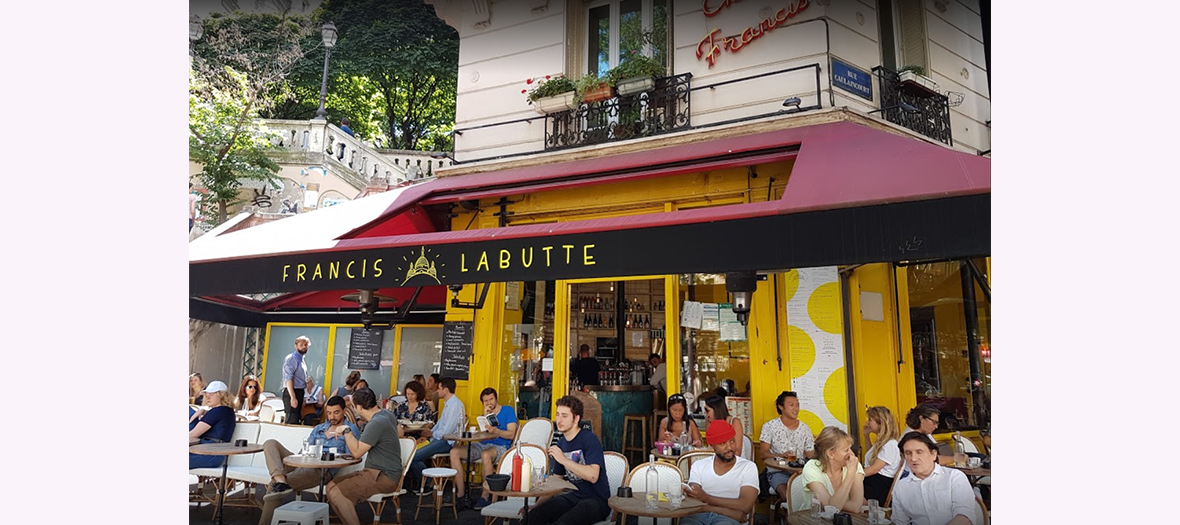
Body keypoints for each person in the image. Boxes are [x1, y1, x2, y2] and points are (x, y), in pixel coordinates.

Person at [259, 396, 360, 525]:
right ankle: (280, 479)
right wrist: (299, 459)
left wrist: (329, 454)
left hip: (320, 470)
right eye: (329, 413)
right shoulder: (319, 428)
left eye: (336, 412)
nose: (332, 417)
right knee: (270, 443)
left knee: (273, 486)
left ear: (344, 410)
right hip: (303, 462)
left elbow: (350, 456)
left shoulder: (350, 429)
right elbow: (305, 450)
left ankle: (266, 516)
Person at [525, 395, 611, 525]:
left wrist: (564, 460)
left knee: (564, 523)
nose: (559, 420)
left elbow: (593, 476)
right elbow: (557, 480)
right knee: (532, 517)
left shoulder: (589, 439)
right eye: (558, 415)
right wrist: (536, 506)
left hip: (596, 501)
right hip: (574, 496)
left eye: (564, 416)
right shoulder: (562, 443)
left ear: (576, 418)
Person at [324, 388, 405, 525]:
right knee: (330, 486)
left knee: (337, 493)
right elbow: (400, 433)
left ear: (359, 407)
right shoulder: (387, 414)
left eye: (354, 407)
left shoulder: (375, 423)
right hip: (380, 472)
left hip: (384, 476)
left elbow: (356, 453)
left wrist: (346, 430)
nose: (354, 409)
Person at [681, 420, 760, 525]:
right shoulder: (699, 466)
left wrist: (706, 500)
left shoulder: (748, 467)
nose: (729, 447)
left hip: (727, 520)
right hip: (698, 516)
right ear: (712, 445)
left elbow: (745, 505)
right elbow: (694, 499)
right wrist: (732, 512)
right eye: (722, 443)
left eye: (732, 441)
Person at [889, 432, 979, 525]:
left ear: (933, 454)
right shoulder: (901, 487)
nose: (913, 458)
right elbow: (899, 521)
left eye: (919, 452)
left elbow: (964, 517)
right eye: (908, 453)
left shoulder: (954, 477)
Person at [455, 387, 519, 509]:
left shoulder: (507, 410)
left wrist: (497, 431)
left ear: (496, 399)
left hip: (501, 446)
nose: (489, 403)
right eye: (486, 401)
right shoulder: (484, 416)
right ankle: (461, 495)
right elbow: (481, 439)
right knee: (455, 452)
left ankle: (485, 496)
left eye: (491, 399)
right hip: (483, 445)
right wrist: (485, 419)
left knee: (485, 454)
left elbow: (511, 434)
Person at [407, 376, 465, 492]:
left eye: (439, 389)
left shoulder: (455, 405)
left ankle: (428, 482)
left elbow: (446, 432)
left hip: (446, 442)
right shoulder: (448, 403)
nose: (437, 391)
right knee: (410, 452)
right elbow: (439, 424)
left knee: (412, 457)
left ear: (446, 390)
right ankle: (426, 482)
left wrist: (431, 434)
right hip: (438, 438)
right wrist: (430, 433)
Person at [759, 391, 815, 503]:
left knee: (813, 498)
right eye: (791, 405)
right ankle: (788, 519)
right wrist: (780, 455)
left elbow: (810, 455)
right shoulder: (770, 427)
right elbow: (763, 454)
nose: (796, 408)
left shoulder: (805, 429)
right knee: (789, 497)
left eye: (797, 405)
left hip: (800, 472)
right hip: (778, 471)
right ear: (781, 407)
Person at [796, 426, 865, 513]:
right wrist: (850, 474)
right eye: (846, 450)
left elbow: (856, 507)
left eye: (850, 448)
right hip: (814, 520)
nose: (851, 454)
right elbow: (831, 509)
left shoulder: (854, 465)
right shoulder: (812, 467)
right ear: (830, 453)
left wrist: (831, 502)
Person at [189, 381, 237, 468]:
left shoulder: (218, 411)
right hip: (212, 454)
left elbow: (193, 434)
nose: (207, 397)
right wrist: (203, 410)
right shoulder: (226, 410)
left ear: (221, 395)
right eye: (206, 394)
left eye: (211, 394)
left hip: (209, 454)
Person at [861, 406, 903, 503]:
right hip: (874, 482)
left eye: (870, 420)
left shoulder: (890, 445)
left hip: (878, 486)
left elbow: (874, 469)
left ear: (881, 423)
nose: (867, 422)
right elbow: (871, 456)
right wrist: (866, 436)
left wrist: (851, 476)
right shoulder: (883, 442)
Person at [282, 336, 311, 425]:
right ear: (296, 346)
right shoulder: (292, 358)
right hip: (292, 391)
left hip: (299, 391)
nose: (304, 347)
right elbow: (288, 379)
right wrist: (293, 397)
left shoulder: (302, 360)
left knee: (297, 418)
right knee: (292, 420)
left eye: (305, 345)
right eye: (301, 345)